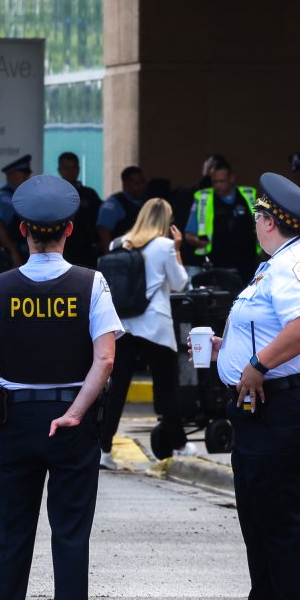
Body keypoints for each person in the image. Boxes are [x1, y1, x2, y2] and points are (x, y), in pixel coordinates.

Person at [0, 174, 122, 600]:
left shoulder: (0, 287)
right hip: (73, 420)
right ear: (69, 229)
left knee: (12, 534)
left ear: (22, 230)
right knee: (70, 534)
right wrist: (74, 413)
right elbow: (105, 360)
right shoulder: (93, 284)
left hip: (16, 421)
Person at [202, 172, 300, 600]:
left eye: (258, 215)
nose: (255, 223)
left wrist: (258, 365)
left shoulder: (295, 264)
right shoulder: (272, 264)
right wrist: (231, 350)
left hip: (282, 405)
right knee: (258, 521)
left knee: (276, 521)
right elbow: (277, 327)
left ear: (270, 220)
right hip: (261, 408)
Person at [98, 198, 191, 469]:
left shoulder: (118, 243)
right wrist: (178, 248)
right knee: (166, 388)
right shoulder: (164, 246)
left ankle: (103, 448)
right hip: (155, 326)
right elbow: (179, 284)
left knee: (116, 390)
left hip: (123, 324)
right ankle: (179, 444)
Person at [183, 156, 260, 282]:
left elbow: (261, 227)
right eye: (215, 182)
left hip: (247, 264)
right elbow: (189, 235)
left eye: (221, 181)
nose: (218, 185)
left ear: (231, 179)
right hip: (216, 265)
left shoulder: (247, 196)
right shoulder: (204, 199)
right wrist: (201, 242)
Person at [57, 151, 104, 268]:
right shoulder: (53, 195)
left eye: (73, 168)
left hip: (86, 251)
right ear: (60, 170)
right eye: (66, 168)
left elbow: (100, 222)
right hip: (61, 251)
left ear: (78, 169)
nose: (70, 172)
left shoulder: (89, 194)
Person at [0, 154, 34, 267]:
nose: (27, 179)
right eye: (24, 176)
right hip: (9, 257)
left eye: (28, 176)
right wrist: (13, 252)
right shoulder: (4, 197)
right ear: (11, 176)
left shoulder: (22, 196)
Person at [96, 165, 147, 252]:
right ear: (125, 183)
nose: (141, 186)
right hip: (121, 256)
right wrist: (111, 258)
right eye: (137, 183)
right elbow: (104, 233)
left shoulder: (145, 202)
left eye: (143, 182)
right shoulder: (114, 205)